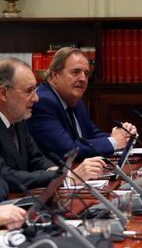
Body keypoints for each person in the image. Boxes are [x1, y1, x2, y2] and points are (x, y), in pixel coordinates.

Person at [0, 57, 105, 191]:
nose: (36, 98)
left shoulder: (18, 119)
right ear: (3, 93)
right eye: (29, 91)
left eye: (35, 89)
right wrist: (65, 177)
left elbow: (36, 159)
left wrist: (58, 171)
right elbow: (6, 176)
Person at [27, 47, 137, 160]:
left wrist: (123, 135)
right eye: (76, 72)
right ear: (55, 75)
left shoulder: (75, 101)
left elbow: (93, 134)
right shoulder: (42, 102)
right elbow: (68, 150)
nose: (83, 78)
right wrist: (114, 141)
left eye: (86, 73)